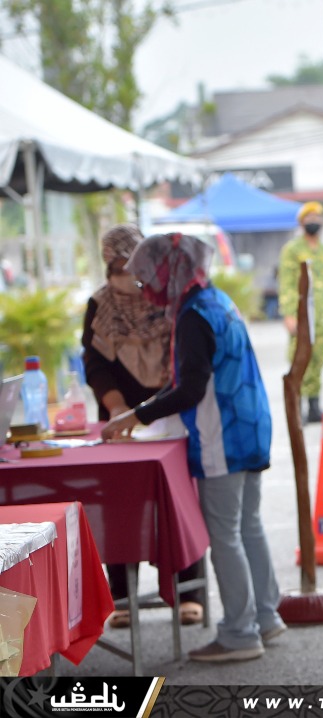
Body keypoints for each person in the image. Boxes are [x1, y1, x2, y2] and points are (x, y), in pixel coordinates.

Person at [101, 232, 286, 663]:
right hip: (249, 426)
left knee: (226, 534)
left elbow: (190, 389)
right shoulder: (214, 300)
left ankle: (240, 634)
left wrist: (136, 416)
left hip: (223, 434)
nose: (145, 291)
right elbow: (189, 377)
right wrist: (144, 409)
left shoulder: (192, 316)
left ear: (169, 272)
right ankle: (265, 616)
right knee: (248, 525)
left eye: (148, 280)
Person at [81, 224, 205, 630]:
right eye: (115, 265)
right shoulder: (99, 305)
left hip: (170, 411)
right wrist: (119, 410)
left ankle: (189, 591)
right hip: (120, 418)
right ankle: (121, 597)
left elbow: (186, 362)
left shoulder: (168, 300)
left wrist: (155, 408)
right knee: (118, 504)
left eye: (129, 263)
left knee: (179, 500)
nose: (123, 272)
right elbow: (95, 363)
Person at [278, 201, 323, 423]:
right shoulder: (292, 250)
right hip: (301, 317)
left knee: (318, 359)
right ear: (301, 223)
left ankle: (313, 406)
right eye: (309, 220)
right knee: (299, 358)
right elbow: (287, 283)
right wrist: (288, 314)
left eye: (317, 219)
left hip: (321, 318)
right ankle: (296, 405)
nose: (314, 223)